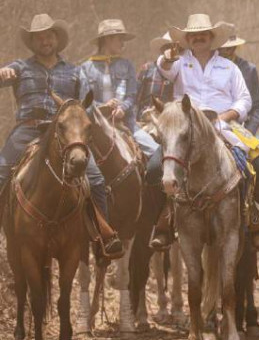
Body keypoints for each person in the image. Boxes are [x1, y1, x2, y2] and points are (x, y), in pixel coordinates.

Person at [0, 13, 122, 259]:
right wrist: (2, 73)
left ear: (56, 39)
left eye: (49, 35)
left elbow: (87, 104)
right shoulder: (20, 67)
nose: (44, 40)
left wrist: (103, 109)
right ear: (32, 42)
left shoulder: (75, 72)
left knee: (96, 179)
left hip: (65, 134)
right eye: (39, 37)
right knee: (0, 171)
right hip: (28, 129)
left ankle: (103, 236)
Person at [148, 14, 259, 251]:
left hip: (223, 126)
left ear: (212, 37)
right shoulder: (178, 63)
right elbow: (163, 69)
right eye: (193, 35)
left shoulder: (230, 67)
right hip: (185, 127)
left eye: (203, 34)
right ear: (188, 39)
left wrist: (223, 117)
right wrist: (166, 58)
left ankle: (254, 218)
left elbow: (245, 100)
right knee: (154, 168)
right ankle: (164, 221)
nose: (198, 38)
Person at [80, 19, 159, 158]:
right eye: (119, 39)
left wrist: (122, 108)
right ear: (108, 39)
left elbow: (131, 95)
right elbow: (84, 100)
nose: (123, 44)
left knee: (156, 152)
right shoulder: (86, 68)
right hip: (96, 126)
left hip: (126, 124)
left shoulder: (127, 65)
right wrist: (103, 106)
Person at [216, 24, 259, 135]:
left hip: (240, 128)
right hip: (212, 125)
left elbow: (257, 108)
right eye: (220, 48)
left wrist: (249, 131)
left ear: (234, 47)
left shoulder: (248, 69)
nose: (224, 52)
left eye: (228, 48)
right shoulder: (208, 68)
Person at [136, 32, 175, 120]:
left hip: (168, 123)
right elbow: (134, 96)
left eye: (172, 48)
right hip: (145, 119)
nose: (169, 51)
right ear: (161, 50)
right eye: (166, 48)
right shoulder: (147, 68)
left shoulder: (180, 73)